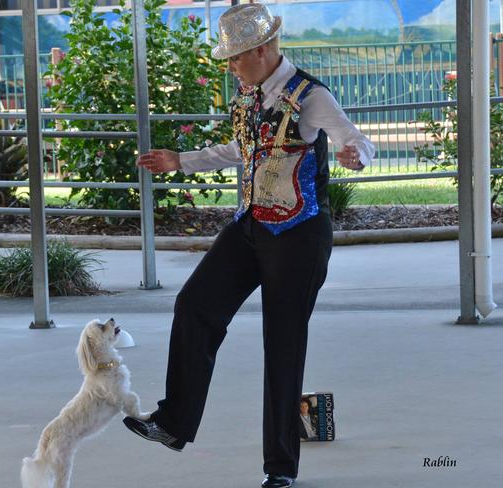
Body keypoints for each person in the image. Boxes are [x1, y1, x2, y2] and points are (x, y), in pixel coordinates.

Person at [123, 4, 374, 488]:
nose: (230, 66)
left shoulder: (310, 95)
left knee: (282, 345)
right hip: (252, 223)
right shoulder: (250, 94)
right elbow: (243, 147)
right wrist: (182, 161)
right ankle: (174, 423)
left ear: (261, 51)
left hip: (300, 233)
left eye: (235, 58)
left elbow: (356, 140)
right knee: (195, 304)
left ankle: (279, 470)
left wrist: (353, 156)